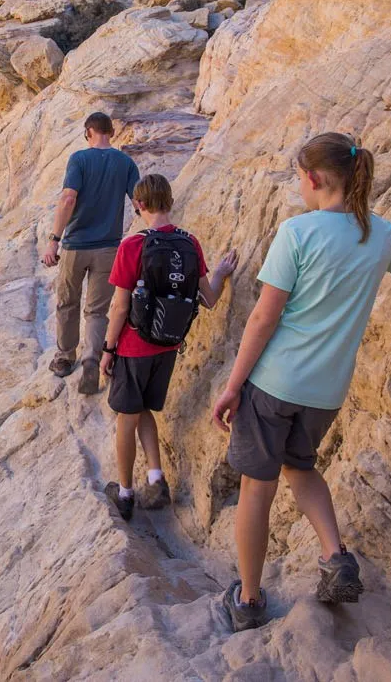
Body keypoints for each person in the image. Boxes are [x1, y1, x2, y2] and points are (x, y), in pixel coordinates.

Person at [210, 132, 391, 633]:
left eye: (300, 177)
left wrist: (232, 386)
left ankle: (248, 601)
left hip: (274, 384)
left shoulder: (298, 232)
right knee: (301, 469)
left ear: (314, 179)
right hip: (326, 394)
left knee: (257, 488)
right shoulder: (382, 235)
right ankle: (335, 557)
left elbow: (262, 321)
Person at [98, 174, 237, 521]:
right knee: (144, 408)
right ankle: (157, 480)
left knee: (125, 419)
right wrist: (220, 272)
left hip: (133, 346)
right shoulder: (190, 242)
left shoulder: (132, 245)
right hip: (168, 347)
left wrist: (107, 348)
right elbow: (209, 298)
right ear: (170, 203)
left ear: (139, 205)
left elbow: (119, 307)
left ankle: (126, 492)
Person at [42, 112, 140, 396]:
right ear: (111, 132)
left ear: (88, 132)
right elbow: (138, 202)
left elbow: (68, 198)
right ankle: (91, 360)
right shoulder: (125, 163)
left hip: (75, 246)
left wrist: (53, 241)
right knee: (97, 311)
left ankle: (64, 358)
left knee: (67, 302)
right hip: (109, 248)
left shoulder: (80, 159)